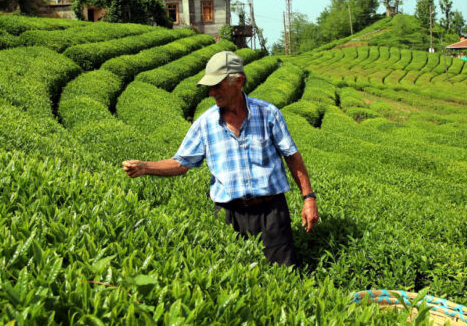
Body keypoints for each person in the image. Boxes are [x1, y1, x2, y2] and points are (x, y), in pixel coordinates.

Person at [122, 51, 319, 267]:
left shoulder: (268, 114)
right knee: (234, 278)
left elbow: (292, 157)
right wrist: (145, 167)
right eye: (209, 87)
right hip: (228, 215)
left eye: (217, 85)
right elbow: (181, 162)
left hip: (271, 212)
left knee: (283, 276)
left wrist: (308, 198)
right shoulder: (205, 123)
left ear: (239, 81)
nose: (211, 92)